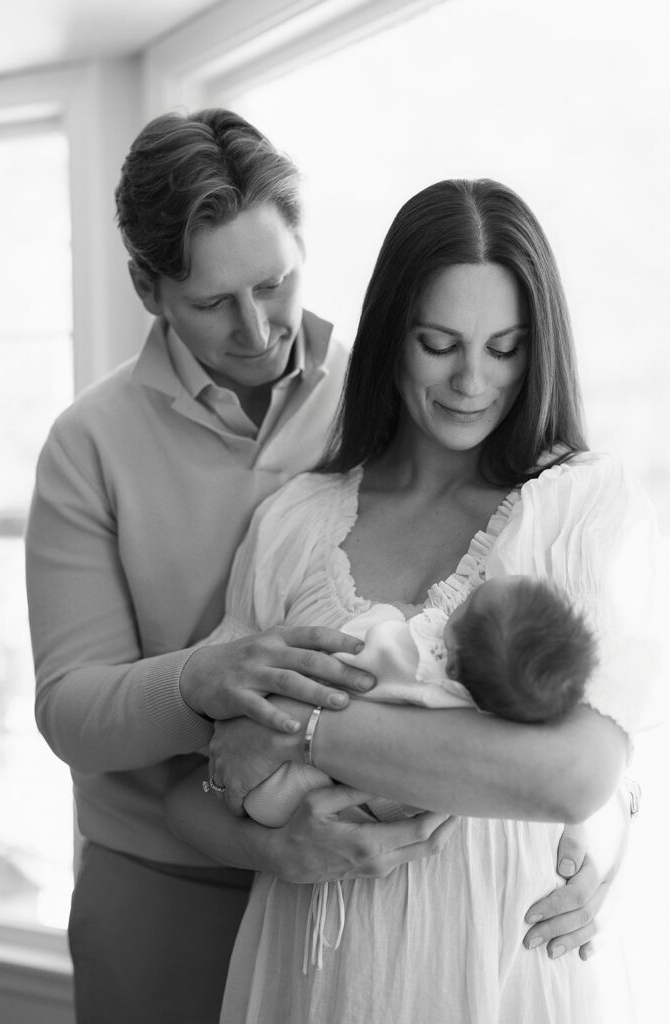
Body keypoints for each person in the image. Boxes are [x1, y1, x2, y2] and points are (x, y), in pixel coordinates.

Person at [165, 179, 663, 1023]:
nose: (473, 381)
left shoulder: (579, 505)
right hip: (312, 975)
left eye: (505, 348)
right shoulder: (293, 522)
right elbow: (192, 790)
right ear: (391, 334)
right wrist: (274, 845)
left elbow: (575, 774)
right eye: (439, 344)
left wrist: (301, 727)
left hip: (505, 975)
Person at [26, 109, 469, 1024]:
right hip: (160, 895)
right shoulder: (88, 446)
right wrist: (200, 679)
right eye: (212, 302)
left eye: (274, 283)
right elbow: (71, 712)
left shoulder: (391, 400)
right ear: (149, 289)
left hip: (363, 886)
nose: (258, 328)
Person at [240, 574, 598, 829]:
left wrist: (392, 616)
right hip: (392, 803)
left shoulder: (419, 656)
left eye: (469, 603)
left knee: (280, 789)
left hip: (287, 778)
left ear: (451, 659)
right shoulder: (486, 709)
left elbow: (357, 648)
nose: (464, 597)